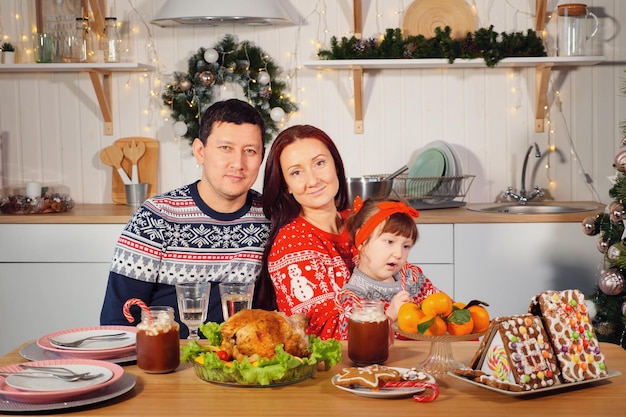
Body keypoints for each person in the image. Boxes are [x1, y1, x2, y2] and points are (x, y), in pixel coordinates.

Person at [100, 99, 270, 338]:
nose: (238, 164)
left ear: (261, 157)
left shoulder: (270, 217)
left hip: (243, 366)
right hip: (169, 364)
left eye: (250, 151)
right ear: (200, 151)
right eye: (225, 148)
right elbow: (116, 322)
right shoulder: (156, 217)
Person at [253, 125, 358, 340]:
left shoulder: (360, 220)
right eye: (296, 172)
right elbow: (327, 333)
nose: (313, 180)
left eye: (319, 163)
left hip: (393, 358)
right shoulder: (292, 243)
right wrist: (394, 313)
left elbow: (411, 286)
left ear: (336, 165)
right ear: (287, 186)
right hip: (333, 369)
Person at [342, 197, 440, 322]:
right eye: (390, 242)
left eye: (406, 246)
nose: (399, 254)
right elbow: (354, 338)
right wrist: (390, 315)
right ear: (362, 241)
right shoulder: (355, 295)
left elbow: (444, 307)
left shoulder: (412, 277)